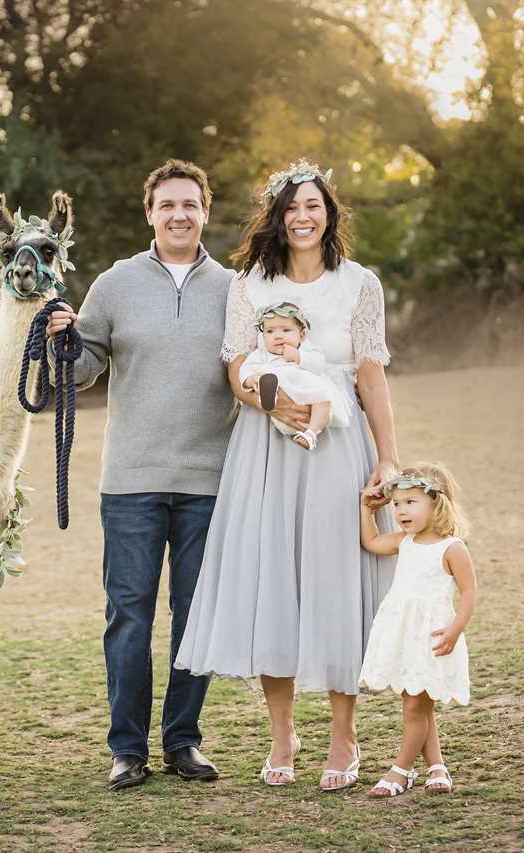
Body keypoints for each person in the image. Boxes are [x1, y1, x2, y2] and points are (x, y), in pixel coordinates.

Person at [45, 160, 275, 791]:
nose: (179, 215)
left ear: (205, 212)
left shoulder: (235, 289)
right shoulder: (115, 284)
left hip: (209, 480)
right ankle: (127, 749)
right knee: (128, 616)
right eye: (167, 204)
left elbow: (254, 366)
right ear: (149, 212)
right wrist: (63, 340)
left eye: (190, 205)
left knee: (194, 616)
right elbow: (84, 366)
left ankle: (183, 741)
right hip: (130, 483)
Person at [173, 158, 401, 793]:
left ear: (329, 216)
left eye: (314, 207)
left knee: (334, 581)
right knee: (271, 577)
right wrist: (271, 402)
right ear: (276, 218)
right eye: (291, 209)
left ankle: (343, 732)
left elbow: (371, 375)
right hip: (267, 448)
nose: (303, 218)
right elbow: (236, 368)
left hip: (338, 447)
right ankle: (281, 735)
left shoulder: (360, 284)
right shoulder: (250, 284)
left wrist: (387, 455)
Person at [357, 463, 477, 798]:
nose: (401, 510)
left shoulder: (452, 548)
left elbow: (468, 591)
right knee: (418, 703)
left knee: (415, 707)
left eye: (411, 502)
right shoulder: (405, 542)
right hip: (403, 634)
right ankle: (436, 766)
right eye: (397, 503)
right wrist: (366, 509)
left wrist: (456, 628)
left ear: (436, 504)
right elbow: (371, 541)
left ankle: (401, 771)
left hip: (432, 638)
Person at [238, 301, 351, 450]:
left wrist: (299, 356)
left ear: (302, 335)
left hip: (306, 392)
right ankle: (269, 398)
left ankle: (311, 433)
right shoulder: (261, 355)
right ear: (263, 336)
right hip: (281, 396)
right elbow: (246, 370)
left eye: (285, 330)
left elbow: (319, 365)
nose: (277, 336)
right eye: (270, 332)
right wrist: (252, 379)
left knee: (324, 399)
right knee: (265, 381)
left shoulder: (307, 349)